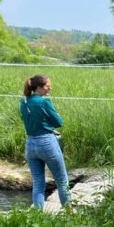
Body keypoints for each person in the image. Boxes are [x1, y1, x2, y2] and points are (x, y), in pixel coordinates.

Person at [20, 74, 71, 209]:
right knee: (62, 180)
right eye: (48, 86)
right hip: (47, 142)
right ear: (39, 88)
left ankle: (38, 213)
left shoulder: (24, 101)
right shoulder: (44, 102)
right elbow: (58, 122)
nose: (50, 88)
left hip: (30, 144)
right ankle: (68, 212)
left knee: (38, 182)